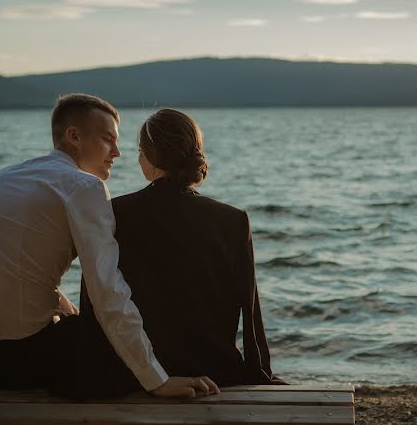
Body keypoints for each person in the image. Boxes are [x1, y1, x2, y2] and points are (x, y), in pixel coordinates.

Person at [0, 94, 219, 425]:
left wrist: (59, 303)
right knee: (102, 335)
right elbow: (109, 291)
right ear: (73, 136)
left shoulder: (6, 178)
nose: (118, 152)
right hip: (10, 361)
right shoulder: (85, 187)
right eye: (107, 139)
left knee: (63, 326)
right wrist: (156, 379)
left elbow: (2, 271)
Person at [76, 108, 281, 395]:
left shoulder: (115, 214)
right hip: (214, 370)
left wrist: (100, 371)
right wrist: (258, 371)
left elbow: (95, 298)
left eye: (139, 150)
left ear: (149, 157)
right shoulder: (232, 220)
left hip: (135, 372)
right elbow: (250, 308)